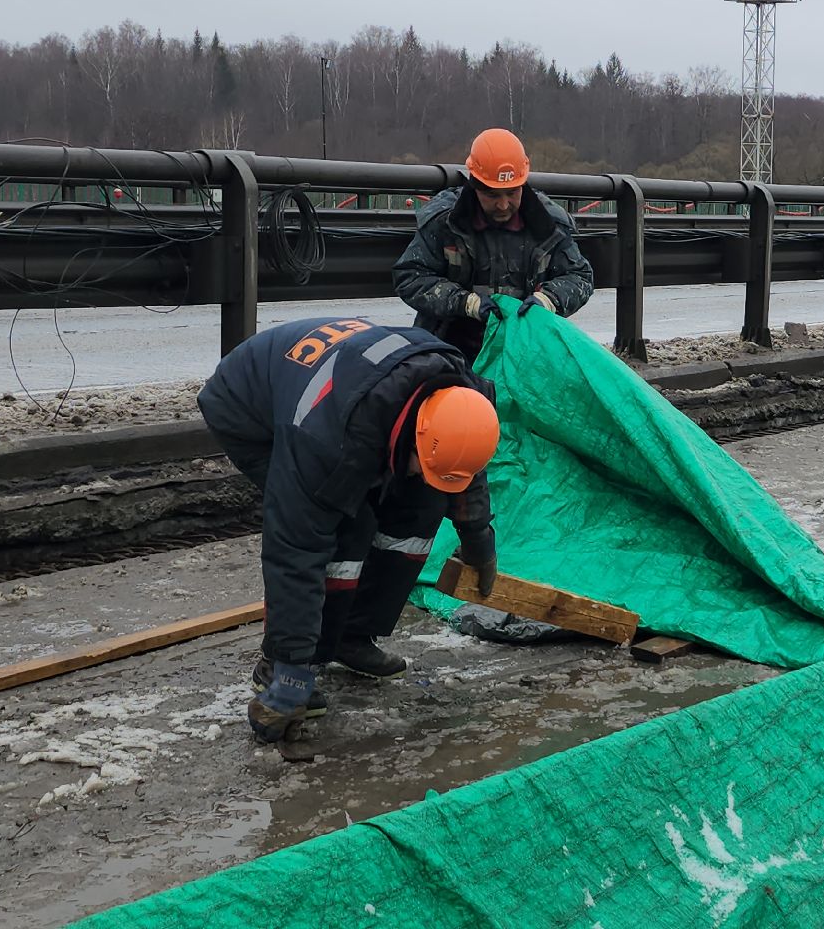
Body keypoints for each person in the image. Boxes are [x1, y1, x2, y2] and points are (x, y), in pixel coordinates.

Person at [197, 316, 502, 742]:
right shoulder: (324, 440)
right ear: (416, 433)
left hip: (356, 389)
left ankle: (352, 634)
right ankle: (280, 664)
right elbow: (294, 549)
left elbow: (462, 462)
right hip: (250, 406)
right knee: (344, 526)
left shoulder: (461, 397)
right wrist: (292, 675)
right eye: (423, 461)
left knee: (420, 503)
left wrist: (477, 537)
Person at [393, 128, 595, 358]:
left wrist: (547, 299)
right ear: (475, 185)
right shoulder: (444, 222)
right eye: (493, 195)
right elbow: (410, 276)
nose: (503, 205)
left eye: (512, 193)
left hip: (525, 349)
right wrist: (465, 303)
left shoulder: (549, 224)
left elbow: (580, 276)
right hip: (450, 348)